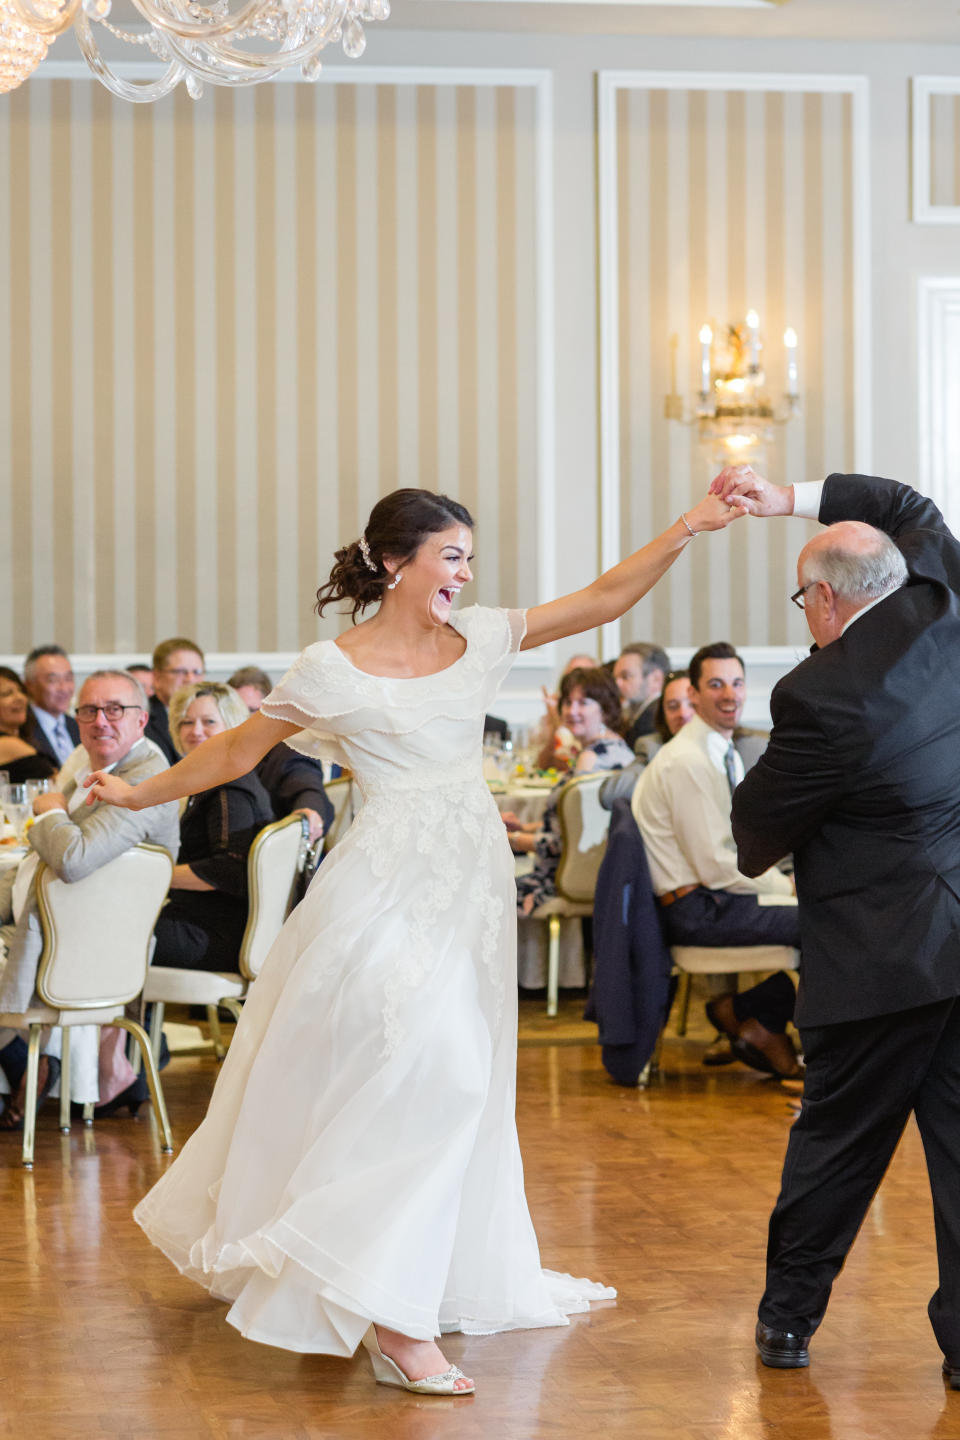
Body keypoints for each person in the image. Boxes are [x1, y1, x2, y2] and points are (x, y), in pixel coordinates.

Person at [86, 485, 744, 1395]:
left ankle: (394, 1276)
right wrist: (133, 793)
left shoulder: (481, 637)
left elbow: (600, 600)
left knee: (453, 1076)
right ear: (396, 562)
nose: (465, 574)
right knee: (431, 1069)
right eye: (451, 557)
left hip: (466, 887)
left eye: (470, 559)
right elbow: (236, 753)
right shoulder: (331, 665)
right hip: (378, 887)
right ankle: (397, 1324)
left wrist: (687, 527)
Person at [713, 465, 960, 1383]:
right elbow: (909, 507)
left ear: (822, 599)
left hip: (880, 961)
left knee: (838, 1149)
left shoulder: (825, 697)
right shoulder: (943, 602)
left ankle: (788, 1322)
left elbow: (752, 834)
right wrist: (787, 496)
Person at [0, 670, 179, 1129]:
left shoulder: (145, 778)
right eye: (89, 710)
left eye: (115, 710)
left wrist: (52, 810)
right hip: (54, 922)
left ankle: (26, 1061)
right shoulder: (90, 758)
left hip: (85, 947)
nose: (101, 720)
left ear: (141, 720)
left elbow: (73, 858)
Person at [632, 643, 802, 1079]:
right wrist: (786, 888)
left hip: (711, 899)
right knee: (824, 922)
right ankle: (768, 1025)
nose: (730, 694)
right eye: (716, 684)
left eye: (737, 683)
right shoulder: (688, 761)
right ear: (693, 693)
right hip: (698, 910)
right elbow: (716, 866)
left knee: (825, 912)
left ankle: (751, 1014)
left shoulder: (716, 751)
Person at [150, 683, 274, 974]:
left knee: (113, 927)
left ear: (232, 726)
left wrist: (152, 874)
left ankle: (108, 1019)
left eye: (208, 722)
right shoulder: (218, 777)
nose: (196, 731)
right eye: (186, 722)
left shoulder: (228, 788)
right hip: (209, 922)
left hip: (215, 935)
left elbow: (227, 869)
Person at [510, 667, 634, 917]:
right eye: (567, 702)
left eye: (583, 702)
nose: (571, 711)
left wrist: (511, 841)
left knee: (482, 890)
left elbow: (568, 842)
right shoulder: (619, 749)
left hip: (564, 881)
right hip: (600, 874)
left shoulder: (591, 759)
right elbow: (570, 824)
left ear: (606, 708)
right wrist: (523, 827)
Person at [227, 667, 332, 845]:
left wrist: (308, 812)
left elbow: (306, 787)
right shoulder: (219, 751)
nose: (242, 721)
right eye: (236, 712)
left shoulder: (288, 753)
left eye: (251, 711)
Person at [599, 669, 695, 809]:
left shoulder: (734, 743)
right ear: (663, 715)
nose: (683, 713)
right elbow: (609, 794)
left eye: (691, 705)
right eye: (673, 706)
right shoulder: (654, 747)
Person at [145, 638, 206, 765]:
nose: (190, 679)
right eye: (181, 672)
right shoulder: (142, 719)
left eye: (197, 672)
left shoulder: (215, 716)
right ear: (157, 677)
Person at [21, 645, 79, 769]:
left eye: (68, 678)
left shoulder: (78, 726)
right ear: (29, 685)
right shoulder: (21, 728)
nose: (64, 688)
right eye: (53, 680)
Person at [0, 667, 58, 783]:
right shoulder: (7, 743)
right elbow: (57, 781)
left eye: (21, 691)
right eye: (7, 693)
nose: (20, 698)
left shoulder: (27, 737)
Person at [613, 643, 670, 750]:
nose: (617, 684)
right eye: (616, 678)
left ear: (656, 679)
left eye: (625, 676)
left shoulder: (653, 717)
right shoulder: (637, 714)